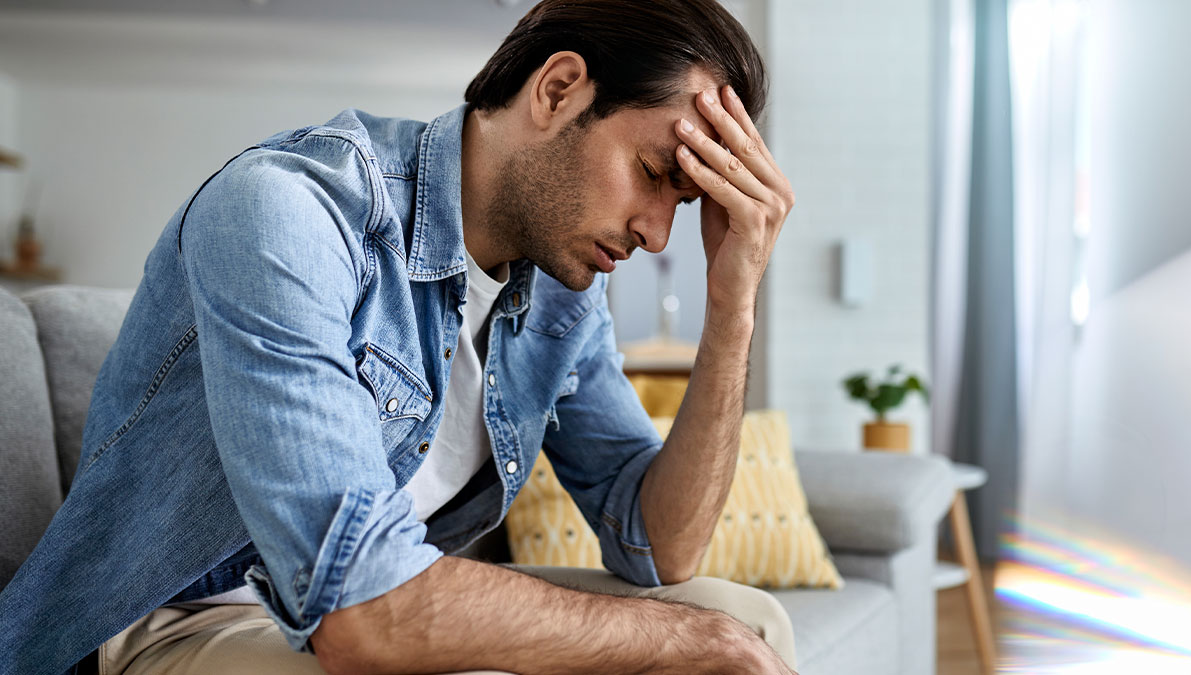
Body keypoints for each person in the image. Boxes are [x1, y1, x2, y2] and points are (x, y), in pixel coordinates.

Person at [0, 1, 797, 673]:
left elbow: (659, 549)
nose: (657, 234)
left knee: (746, 619)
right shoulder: (289, 212)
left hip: (358, 607)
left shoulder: (561, 294)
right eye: (655, 173)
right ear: (557, 90)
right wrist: (679, 639)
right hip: (171, 620)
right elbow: (361, 611)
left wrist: (734, 305)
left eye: (683, 204)